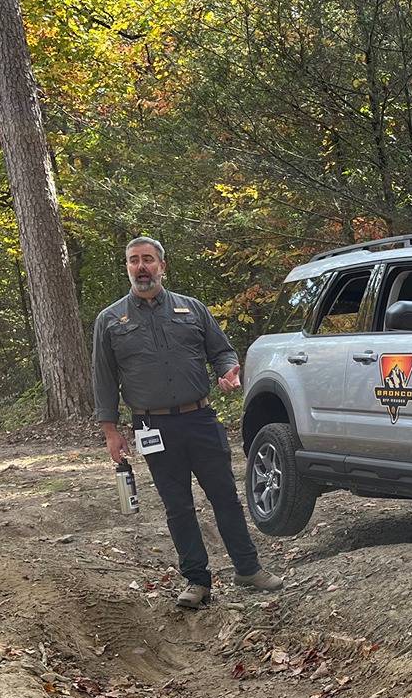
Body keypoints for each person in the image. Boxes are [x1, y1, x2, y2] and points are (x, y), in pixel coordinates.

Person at [92, 236, 283, 609]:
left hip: (200, 419)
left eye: (148, 259)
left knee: (225, 496)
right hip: (153, 428)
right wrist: (111, 431)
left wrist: (229, 370)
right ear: (128, 267)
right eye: (134, 260)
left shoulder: (192, 309)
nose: (141, 267)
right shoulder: (111, 320)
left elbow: (222, 350)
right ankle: (197, 580)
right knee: (177, 505)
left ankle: (248, 567)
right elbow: (102, 377)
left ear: (162, 266)